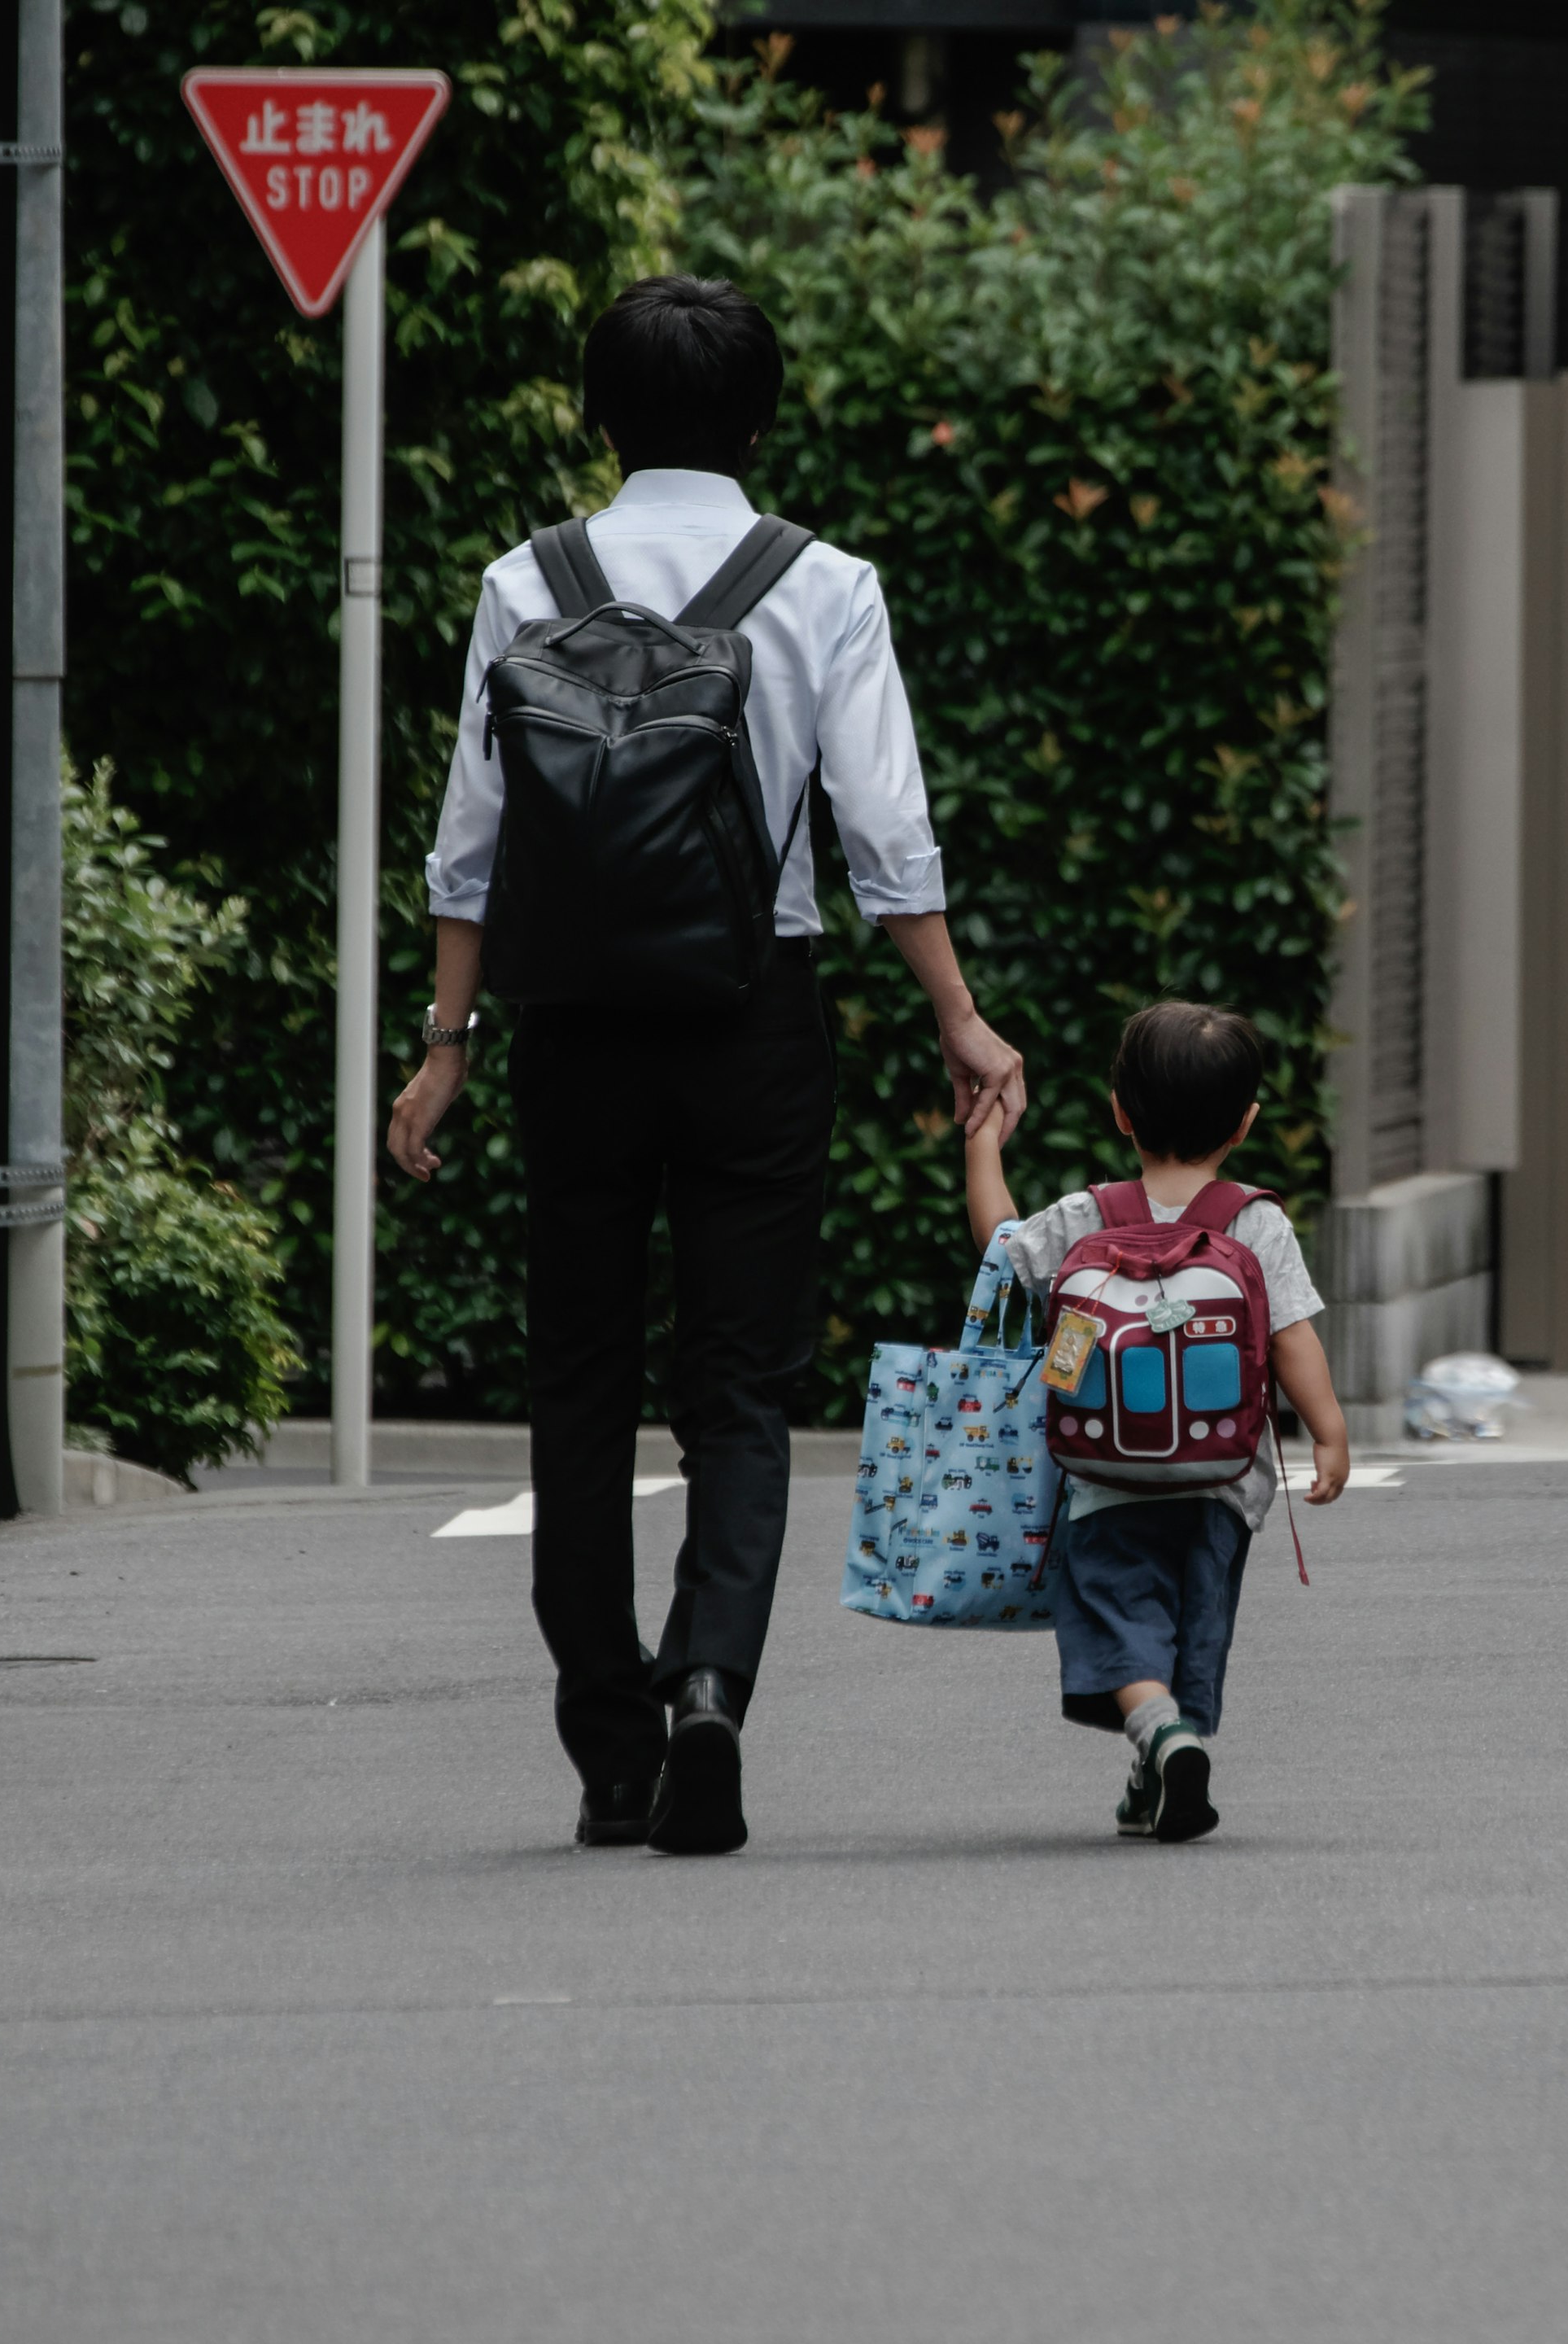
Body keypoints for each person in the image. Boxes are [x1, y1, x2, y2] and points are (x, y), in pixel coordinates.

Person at [387, 277, 1024, 1856]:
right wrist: (956, 1012)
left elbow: (472, 848)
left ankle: (609, 1742)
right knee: (739, 1388)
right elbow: (886, 832)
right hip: (756, 1018)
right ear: (761, 417)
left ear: (599, 419)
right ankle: (711, 1694)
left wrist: (444, 1046)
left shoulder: (524, 581)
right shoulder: (824, 585)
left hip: (572, 1027)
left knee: (580, 1378)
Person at [964, 1001, 1347, 1842]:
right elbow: (1291, 1337)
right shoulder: (1257, 1220)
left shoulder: (1088, 1216)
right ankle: (1169, 1751)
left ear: (1120, 1112)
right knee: (1190, 1628)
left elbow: (999, 1251)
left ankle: (1161, 1739)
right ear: (1247, 1123)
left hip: (1105, 1480)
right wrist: (1327, 1431)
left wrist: (983, 1146)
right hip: (1223, 1482)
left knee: (1117, 1618)